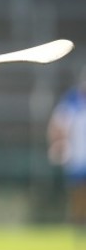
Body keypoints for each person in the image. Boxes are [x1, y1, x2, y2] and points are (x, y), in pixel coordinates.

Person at [47, 66, 86, 234]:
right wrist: (58, 143)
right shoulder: (72, 100)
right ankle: (79, 226)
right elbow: (57, 125)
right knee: (79, 193)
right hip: (77, 155)